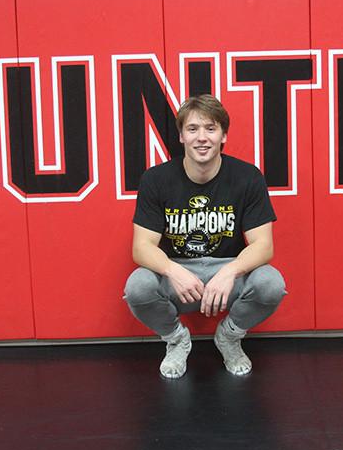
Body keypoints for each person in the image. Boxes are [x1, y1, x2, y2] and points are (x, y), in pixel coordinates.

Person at [123, 94, 286, 378]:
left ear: (223, 135)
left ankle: (229, 336)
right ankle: (176, 340)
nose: (202, 138)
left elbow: (263, 246)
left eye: (211, 129)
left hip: (228, 272)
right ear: (181, 136)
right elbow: (141, 248)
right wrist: (172, 269)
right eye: (193, 129)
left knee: (271, 283)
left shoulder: (248, 177)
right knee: (138, 287)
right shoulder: (155, 179)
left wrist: (230, 271)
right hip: (179, 274)